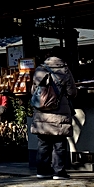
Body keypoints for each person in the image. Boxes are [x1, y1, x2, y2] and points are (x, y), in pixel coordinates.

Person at [30, 47, 77, 180]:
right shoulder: (65, 70)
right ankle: (59, 171)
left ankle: (42, 170)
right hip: (59, 111)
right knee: (59, 142)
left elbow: (33, 91)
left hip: (42, 111)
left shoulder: (40, 69)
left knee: (43, 142)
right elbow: (72, 92)